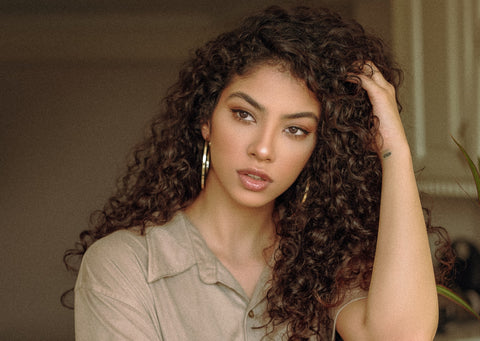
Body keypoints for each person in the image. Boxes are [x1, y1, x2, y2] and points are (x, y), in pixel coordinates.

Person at [63, 5, 453, 340]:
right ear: (206, 120)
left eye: (295, 129)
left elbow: (402, 335)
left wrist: (394, 151)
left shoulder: (322, 261)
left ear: (319, 148)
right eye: (244, 115)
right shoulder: (125, 265)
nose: (263, 149)